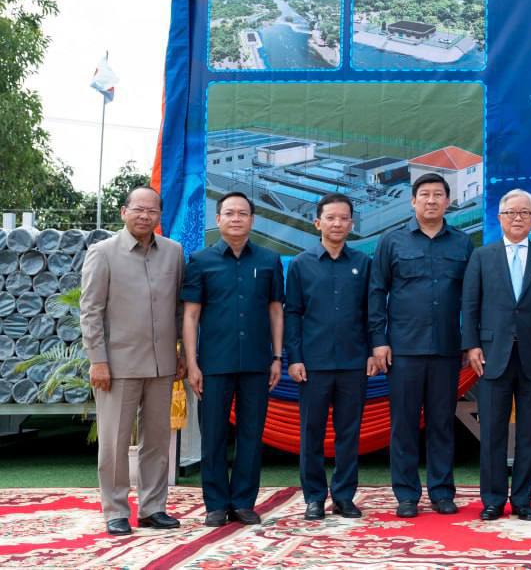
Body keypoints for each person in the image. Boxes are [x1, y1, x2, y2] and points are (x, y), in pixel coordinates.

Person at [80, 186, 185, 536]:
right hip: (117, 365)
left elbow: (179, 308)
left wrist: (182, 353)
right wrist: (98, 360)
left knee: (157, 440)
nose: (144, 216)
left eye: (152, 210)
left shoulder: (173, 253)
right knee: (114, 442)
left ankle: (153, 508)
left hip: (162, 364)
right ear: (124, 212)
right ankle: (115, 510)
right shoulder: (103, 253)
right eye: (138, 209)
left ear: (159, 216)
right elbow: (90, 310)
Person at [369, 172, 474, 519]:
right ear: (413, 201)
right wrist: (379, 341)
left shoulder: (462, 243)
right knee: (404, 423)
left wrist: (469, 342)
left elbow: (472, 298)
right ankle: (406, 494)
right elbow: (377, 292)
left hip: (447, 348)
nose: (431, 200)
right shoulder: (392, 241)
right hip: (404, 349)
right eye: (424, 194)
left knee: (442, 422)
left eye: (438, 194)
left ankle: (442, 492)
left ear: (448, 201)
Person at [461, 188, 531, 521]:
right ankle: (492, 500)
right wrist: (472, 345)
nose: (517, 218)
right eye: (511, 213)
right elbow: (470, 305)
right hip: (492, 355)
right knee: (492, 430)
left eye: (524, 213)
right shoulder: (482, 256)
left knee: (529, 432)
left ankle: (522, 500)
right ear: (500, 217)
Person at [182, 191, 285, 527]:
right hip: (214, 363)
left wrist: (277, 357)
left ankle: (243, 502)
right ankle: (215, 504)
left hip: (257, 362)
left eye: (243, 213)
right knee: (213, 435)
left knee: (251, 435)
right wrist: (192, 363)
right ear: (218, 219)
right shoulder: (200, 261)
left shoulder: (269, 260)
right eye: (229, 213)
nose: (236, 218)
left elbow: (275, 311)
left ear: (252, 220)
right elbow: (191, 316)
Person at [285, 192, 377, 521]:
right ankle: (313, 497)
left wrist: (372, 351)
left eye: (343, 218)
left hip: (354, 362)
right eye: (331, 218)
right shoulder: (301, 264)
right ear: (317, 223)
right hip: (313, 364)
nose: (337, 223)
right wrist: (294, 358)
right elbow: (293, 313)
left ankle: (344, 496)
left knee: (348, 433)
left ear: (352, 224)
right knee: (311, 432)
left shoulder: (364, 264)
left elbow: (372, 312)